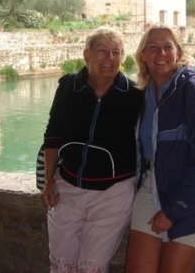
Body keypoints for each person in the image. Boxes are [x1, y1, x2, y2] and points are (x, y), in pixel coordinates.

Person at [126, 24, 195, 273]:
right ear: (142, 55)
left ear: (178, 52)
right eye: (152, 47)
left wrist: (174, 211)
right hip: (152, 186)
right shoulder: (144, 94)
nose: (160, 53)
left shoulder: (193, 90)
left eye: (167, 47)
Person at [37, 27, 143, 273]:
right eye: (102, 52)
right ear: (86, 54)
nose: (110, 58)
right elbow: (53, 135)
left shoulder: (135, 94)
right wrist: (49, 181)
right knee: (61, 265)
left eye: (116, 52)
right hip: (67, 187)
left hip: (113, 194)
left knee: (92, 267)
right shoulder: (68, 86)